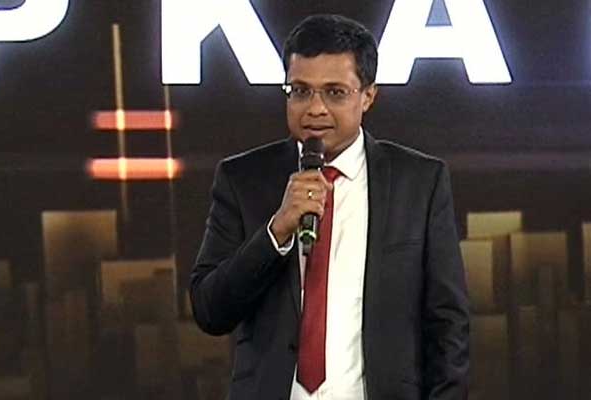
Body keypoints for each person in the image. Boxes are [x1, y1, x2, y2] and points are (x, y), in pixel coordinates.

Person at [190, 14, 469, 400]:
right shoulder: (243, 179)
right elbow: (209, 310)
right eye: (300, 91)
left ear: (368, 96)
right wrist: (276, 233)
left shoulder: (419, 182)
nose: (315, 109)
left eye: (335, 93)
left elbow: (448, 324)